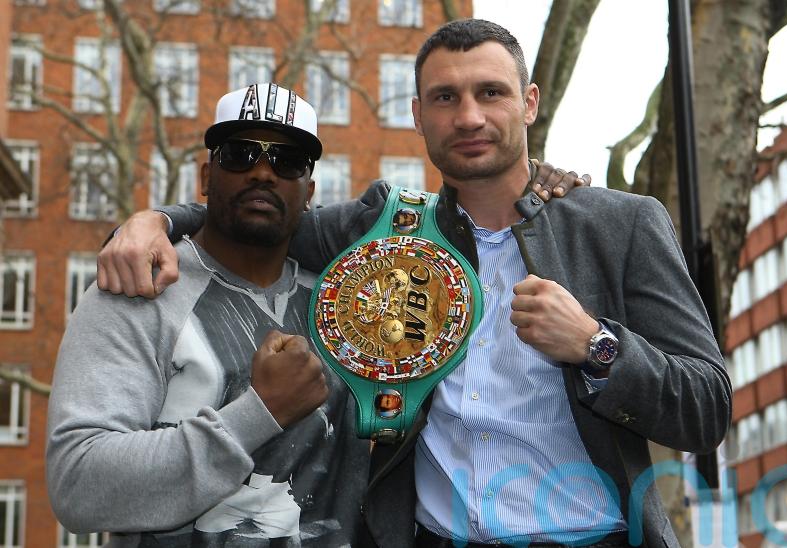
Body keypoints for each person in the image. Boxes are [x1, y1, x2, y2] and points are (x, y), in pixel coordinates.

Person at [95, 19, 731, 548]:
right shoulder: (384, 226)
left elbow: (706, 409)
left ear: (529, 103)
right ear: (418, 116)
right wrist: (158, 221)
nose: (470, 116)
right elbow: (261, 215)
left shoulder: (622, 225)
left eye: (491, 92)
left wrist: (598, 346)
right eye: (446, 98)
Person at [46, 83, 372, 547]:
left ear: (309, 192)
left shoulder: (347, 301)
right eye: (240, 154)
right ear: (205, 176)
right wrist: (259, 414)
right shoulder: (138, 288)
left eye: (288, 160)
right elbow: (77, 484)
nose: (263, 172)